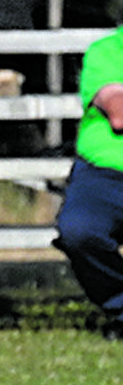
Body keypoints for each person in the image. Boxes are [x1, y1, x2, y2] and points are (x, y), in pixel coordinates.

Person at [56, 26, 123, 339]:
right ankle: (121, 306)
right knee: (80, 230)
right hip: (105, 172)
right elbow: (119, 112)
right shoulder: (108, 49)